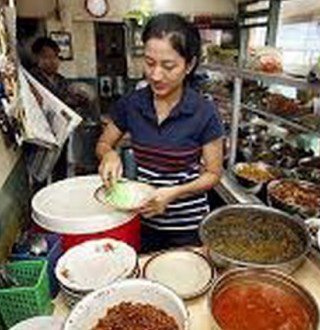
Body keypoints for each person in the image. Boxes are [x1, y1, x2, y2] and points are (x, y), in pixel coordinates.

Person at [96, 13, 224, 252]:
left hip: (187, 227)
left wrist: (173, 193)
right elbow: (104, 142)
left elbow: (214, 174)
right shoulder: (132, 104)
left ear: (190, 65)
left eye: (168, 66)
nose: (155, 75)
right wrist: (109, 154)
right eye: (149, 62)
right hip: (142, 218)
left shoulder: (204, 112)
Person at [28, 37, 98, 179]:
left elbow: (68, 103)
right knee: (39, 174)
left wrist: (81, 100)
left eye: (55, 57)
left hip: (60, 134)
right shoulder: (32, 79)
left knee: (60, 170)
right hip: (41, 136)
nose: (53, 61)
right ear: (36, 58)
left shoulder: (61, 80)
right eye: (47, 57)